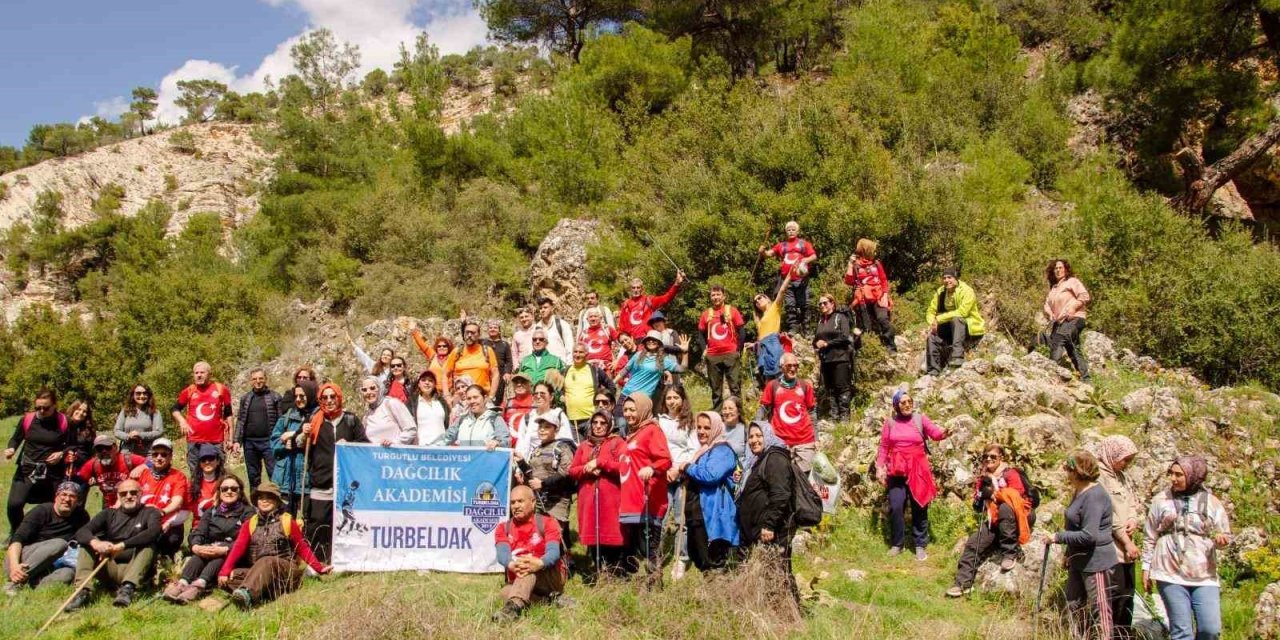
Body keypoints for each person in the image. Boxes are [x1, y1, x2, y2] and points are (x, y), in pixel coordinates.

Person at [1142, 455, 1232, 640]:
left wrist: (1222, 541)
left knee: (1210, 629)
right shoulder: (1161, 500)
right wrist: (1146, 567)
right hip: (1169, 571)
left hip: (1203, 573)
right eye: (1171, 474)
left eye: (1179, 475)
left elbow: (1225, 535)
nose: (1173, 479)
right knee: (1182, 631)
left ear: (1193, 476)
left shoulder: (1211, 502)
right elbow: (1150, 535)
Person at [219, 480, 331, 609]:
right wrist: (224, 571)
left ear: (277, 501)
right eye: (261, 497)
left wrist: (319, 568)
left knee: (266, 562)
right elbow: (238, 548)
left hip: (285, 570)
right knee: (232, 577)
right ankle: (264, 592)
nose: (264, 501)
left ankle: (248, 593)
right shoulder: (249, 524)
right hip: (260, 570)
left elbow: (302, 547)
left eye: (269, 497)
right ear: (256, 501)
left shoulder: (287, 521)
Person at [947, 444, 1036, 597]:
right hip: (994, 520)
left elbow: (1016, 496)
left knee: (1005, 508)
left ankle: (1010, 553)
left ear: (1001, 458)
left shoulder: (1011, 474)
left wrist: (995, 494)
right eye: (985, 457)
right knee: (974, 543)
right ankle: (962, 584)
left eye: (993, 456)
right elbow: (977, 505)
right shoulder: (983, 479)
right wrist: (983, 494)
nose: (989, 459)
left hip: (1018, 515)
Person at [64, 478, 162, 611]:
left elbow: (153, 532)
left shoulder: (151, 512)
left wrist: (122, 545)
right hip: (109, 565)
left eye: (133, 493)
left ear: (140, 494)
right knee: (86, 544)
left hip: (135, 568)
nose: (128, 496)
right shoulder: (108, 514)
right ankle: (83, 591)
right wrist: (96, 543)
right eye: (124, 494)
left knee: (149, 546)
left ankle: (127, 589)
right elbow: (82, 531)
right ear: (118, 496)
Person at [876, 389, 949, 560]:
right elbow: (884, 447)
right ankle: (897, 544)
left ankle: (920, 545)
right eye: (903, 402)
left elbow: (935, 433)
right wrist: (880, 467)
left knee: (920, 505)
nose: (907, 404)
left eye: (910, 401)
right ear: (896, 405)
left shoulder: (920, 419)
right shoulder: (890, 423)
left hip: (918, 468)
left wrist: (944, 434)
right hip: (897, 469)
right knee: (896, 505)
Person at [1053, 450, 1118, 640]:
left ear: (1077, 471)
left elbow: (1089, 535)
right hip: (1078, 560)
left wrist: (1057, 537)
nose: (1065, 473)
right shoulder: (1079, 491)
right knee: (1073, 604)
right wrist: (1068, 553)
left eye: (1068, 469)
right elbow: (1074, 525)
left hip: (1096, 561)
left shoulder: (1094, 496)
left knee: (1100, 609)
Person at [299, 383, 368, 563]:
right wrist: (302, 434)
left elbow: (365, 446)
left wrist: (350, 445)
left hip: (346, 483)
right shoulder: (314, 420)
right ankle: (318, 561)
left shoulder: (351, 420)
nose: (329, 401)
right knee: (318, 523)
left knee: (344, 523)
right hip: (321, 481)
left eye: (332, 397)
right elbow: (299, 445)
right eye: (325, 397)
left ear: (339, 397)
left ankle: (345, 559)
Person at [736, 420, 799, 605]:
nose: (754, 440)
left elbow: (781, 494)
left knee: (779, 573)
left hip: (773, 531)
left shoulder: (775, 458)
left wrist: (769, 524)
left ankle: (789, 613)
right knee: (770, 573)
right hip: (761, 531)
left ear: (768, 436)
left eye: (759, 435)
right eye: (751, 436)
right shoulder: (759, 459)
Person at [163, 474, 251, 604]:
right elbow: (198, 532)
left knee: (218, 555)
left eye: (234, 489)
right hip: (211, 549)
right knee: (199, 555)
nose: (229, 491)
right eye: (225, 489)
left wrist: (225, 549)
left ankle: (199, 586)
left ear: (240, 491)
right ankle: (182, 583)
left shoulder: (247, 512)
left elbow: (247, 539)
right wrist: (196, 546)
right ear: (219, 492)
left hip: (234, 554)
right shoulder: (212, 512)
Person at [672, 411, 739, 573]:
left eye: (707, 428)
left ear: (716, 428)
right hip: (697, 512)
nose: (701, 431)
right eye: (699, 427)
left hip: (713, 514)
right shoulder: (703, 451)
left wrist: (687, 466)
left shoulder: (723, 450)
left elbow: (711, 475)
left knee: (713, 561)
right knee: (700, 559)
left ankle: (718, 593)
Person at [617, 393, 672, 586]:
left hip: (647, 499)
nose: (629, 414)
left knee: (648, 547)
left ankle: (655, 588)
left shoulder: (652, 431)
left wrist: (652, 468)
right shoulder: (631, 433)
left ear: (643, 409)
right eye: (626, 410)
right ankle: (637, 588)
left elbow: (665, 459)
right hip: (630, 501)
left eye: (633, 409)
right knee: (633, 548)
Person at [493, 485, 568, 621]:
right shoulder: (503, 528)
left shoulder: (548, 522)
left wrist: (539, 563)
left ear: (533, 502)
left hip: (550, 575)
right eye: (512, 502)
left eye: (520, 501)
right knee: (504, 592)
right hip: (520, 577)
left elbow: (553, 552)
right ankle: (550, 600)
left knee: (527, 566)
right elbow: (502, 553)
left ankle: (509, 613)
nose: (515, 506)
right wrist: (511, 565)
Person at [5, 388, 72, 533]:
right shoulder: (28, 419)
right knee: (14, 504)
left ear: (54, 405)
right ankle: (17, 533)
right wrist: (11, 449)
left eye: (45, 408)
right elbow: (15, 439)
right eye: (38, 407)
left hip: (52, 473)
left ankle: (45, 535)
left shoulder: (64, 421)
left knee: (50, 507)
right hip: (27, 469)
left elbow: (73, 444)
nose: (41, 411)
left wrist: (61, 453)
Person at [569, 411, 626, 580]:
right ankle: (600, 572)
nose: (598, 426)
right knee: (594, 535)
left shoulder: (617, 443)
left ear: (609, 425)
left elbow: (623, 466)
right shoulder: (584, 446)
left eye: (602, 423)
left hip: (611, 500)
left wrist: (602, 463)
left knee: (612, 534)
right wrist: (587, 469)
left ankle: (616, 573)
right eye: (595, 422)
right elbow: (572, 470)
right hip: (589, 499)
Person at [4, 481, 89, 594]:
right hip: (20, 559)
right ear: (56, 497)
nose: (67, 499)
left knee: (68, 573)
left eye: (72, 496)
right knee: (59, 544)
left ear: (78, 501)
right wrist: (14, 566)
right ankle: (14, 583)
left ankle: (32, 587)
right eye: (63, 494)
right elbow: (16, 541)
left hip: (50, 563)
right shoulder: (42, 511)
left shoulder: (81, 516)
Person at [1096, 435, 1142, 634]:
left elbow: (1131, 503)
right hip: (1111, 548)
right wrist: (1126, 540)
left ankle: (1123, 635)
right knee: (1111, 598)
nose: (1127, 464)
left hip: (1126, 548)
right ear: (1112, 454)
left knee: (1126, 596)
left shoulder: (1121, 477)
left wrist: (1133, 519)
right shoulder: (1099, 477)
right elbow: (1108, 515)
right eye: (1125, 459)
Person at [519, 417, 576, 559]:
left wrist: (543, 484)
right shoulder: (536, 449)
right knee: (542, 533)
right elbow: (532, 474)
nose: (542, 430)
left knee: (557, 532)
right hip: (539, 499)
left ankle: (566, 564)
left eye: (547, 427)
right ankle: (548, 565)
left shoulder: (562, 447)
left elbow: (567, 472)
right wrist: (521, 462)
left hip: (558, 498)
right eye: (540, 427)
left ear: (555, 429)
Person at [658, 384, 696, 578]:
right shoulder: (660, 422)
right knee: (662, 516)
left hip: (681, 476)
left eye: (676, 398)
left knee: (681, 519)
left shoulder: (689, 422)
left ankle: (681, 558)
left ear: (683, 399)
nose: (672, 402)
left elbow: (693, 450)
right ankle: (657, 555)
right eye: (669, 398)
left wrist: (679, 468)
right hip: (663, 476)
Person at [756, 353, 818, 473]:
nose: (793, 369)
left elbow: (812, 412)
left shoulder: (805, 386)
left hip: (804, 441)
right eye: (789, 365)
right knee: (782, 478)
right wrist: (756, 431)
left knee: (805, 479)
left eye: (796, 366)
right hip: (780, 442)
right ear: (781, 367)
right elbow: (763, 409)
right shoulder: (772, 386)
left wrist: (816, 438)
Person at [172, 361, 235, 476]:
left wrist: (231, 439)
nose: (199, 375)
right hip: (194, 441)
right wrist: (182, 421)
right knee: (196, 474)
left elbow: (229, 414)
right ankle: (197, 494)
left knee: (218, 473)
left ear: (209, 374)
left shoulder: (221, 389)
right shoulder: (189, 391)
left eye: (202, 372)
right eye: (196, 373)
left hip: (216, 441)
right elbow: (175, 409)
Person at [759, 220, 817, 333]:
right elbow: (768, 254)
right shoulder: (782, 245)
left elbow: (814, 256)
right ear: (786, 232)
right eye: (789, 230)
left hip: (802, 279)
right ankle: (793, 328)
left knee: (804, 304)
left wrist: (805, 259)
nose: (791, 231)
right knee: (790, 305)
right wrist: (762, 252)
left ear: (797, 231)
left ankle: (807, 330)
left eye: (793, 229)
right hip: (787, 281)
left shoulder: (803, 243)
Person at [925, 269, 986, 375]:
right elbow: (931, 311)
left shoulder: (967, 291)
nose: (946, 280)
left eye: (949, 277)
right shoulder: (941, 292)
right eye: (944, 278)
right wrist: (932, 323)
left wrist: (939, 319)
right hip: (950, 326)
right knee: (932, 336)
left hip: (969, 326)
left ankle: (957, 357)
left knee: (957, 319)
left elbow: (963, 312)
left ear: (956, 278)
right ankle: (933, 369)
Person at [135, 437, 190, 557]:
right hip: (143, 521)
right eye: (155, 454)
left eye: (164, 454)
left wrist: (160, 513)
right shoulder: (142, 474)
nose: (159, 458)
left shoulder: (179, 477)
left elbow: (177, 502)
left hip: (167, 522)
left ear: (170, 457)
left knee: (170, 541)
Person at [271, 382, 316, 516]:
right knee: (284, 521)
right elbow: (274, 441)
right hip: (285, 478)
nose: (298, 400)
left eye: (302, 396)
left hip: (307, 478)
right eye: (296, 396)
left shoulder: (318, 417)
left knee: (306, 521)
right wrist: (284, 445)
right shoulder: (287, 417)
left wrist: (293, 435)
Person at [1042, 259, 1092, 381]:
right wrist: (1050, 314)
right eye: (1056, 268)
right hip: (1059, 322)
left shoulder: (1072, 281)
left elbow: (1085, 296)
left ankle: (1051, 372)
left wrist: (1073, 308)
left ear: (1066, 269)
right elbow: (1047, 304)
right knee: (1073, 348)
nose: (1058, 270)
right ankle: (1086, 379)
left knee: (1058, 340)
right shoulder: (1053, 289)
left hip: (1074, 318)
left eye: (1060, 267)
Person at [699, 285, 746, 410]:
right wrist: (705, 349)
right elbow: (700, 334)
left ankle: (738, 413)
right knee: (715, 388)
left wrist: (738, 349)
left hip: (731, 353)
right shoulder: (706, 314)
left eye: (718, 294)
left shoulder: (732, 310)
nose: (716, 297)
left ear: (723, 296)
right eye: (713, 295)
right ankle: (718, 414)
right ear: (710, 297)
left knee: (735, 386)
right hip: (713, 355)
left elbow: (741, 330)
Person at [844, 238, 897, 352]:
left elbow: (883, 280)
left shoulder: (876, 263)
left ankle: (891, 346)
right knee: (866, 326)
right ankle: (867, 349)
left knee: (883, 319)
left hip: (878, 296)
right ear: (866, 250)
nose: (874, 252)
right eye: (872, 249)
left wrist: (885, 294)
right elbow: (849, 281)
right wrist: (849, 265)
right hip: (863, 299)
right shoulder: (855, 265)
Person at [813, 293, 859, 421]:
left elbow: (845, 337)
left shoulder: (840, 317)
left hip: (840, 358)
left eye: (825, 303)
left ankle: (845, 417)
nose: (822, 305)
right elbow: (815, 340)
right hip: (826, 360)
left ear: (832, 303)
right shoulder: (821, 321)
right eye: (820, 304)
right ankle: (834, 416)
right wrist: (816, 343)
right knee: (830, 389)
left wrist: (827, 343)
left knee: (842, 387)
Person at [235, 368, 282, 492]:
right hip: (250, 443)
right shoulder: (245, 398)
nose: (258, 381)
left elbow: (281, 420)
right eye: (255, 379)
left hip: (269, 442)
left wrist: (280, 439)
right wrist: (236, 441)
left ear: (265, 379)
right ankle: (256, 507)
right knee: (253, 477)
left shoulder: (275, 397)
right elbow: (240, 420)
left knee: (274, 475)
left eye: (261, 378)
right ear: (251, 381)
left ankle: (277, 505)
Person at [75, 435, 146, 509]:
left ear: (115, 447)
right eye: (99, 449)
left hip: (130, 503)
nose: (104, 451)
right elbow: (78, 480)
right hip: (109, 506)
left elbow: (152, 462)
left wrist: (142, 467)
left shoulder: (128, 459)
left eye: (107, 448)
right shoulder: (93, 464)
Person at [617, 330, 688, 405]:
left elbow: (682, 368)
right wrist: (613, 383)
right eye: (622, 342)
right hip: (628, 392)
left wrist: (685, 353)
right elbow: (622, 372)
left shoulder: (661, 359)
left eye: (626, 339)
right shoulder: (632, 356)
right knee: (619, 416)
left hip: (646, 395)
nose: (625, 343)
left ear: (631, 338)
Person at [747, 270, 793, 384]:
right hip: (762, 347)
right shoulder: (760, 320)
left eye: (760, 297)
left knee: (779, 375)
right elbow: (761, 336)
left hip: (773, 344)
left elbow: (782, 290)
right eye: (756, 301)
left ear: (767, 298)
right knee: (768, 381)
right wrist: (753, 345)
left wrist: (790, 274)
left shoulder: (774, 308)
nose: (758, 301)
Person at [563, 343, 616, 436]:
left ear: (587, 354)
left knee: (592, 447)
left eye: (581, 352)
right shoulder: (565, 371)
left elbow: (611, 386)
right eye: (575, 352)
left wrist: (607, 406)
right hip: (571, 422)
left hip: (591, 419)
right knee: (576, 450)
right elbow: (557, 389)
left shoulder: (595, 371)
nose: (577, 354)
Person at [618, 271, 686, 340]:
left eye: (638, 287)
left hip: (649, 338)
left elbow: (666, 298)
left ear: (642, 289)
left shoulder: (649, 300)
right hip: (634, 341)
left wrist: (676, 284)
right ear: (630, 289)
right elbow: (622, 327)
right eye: (633, 288)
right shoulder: (625, 305)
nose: (636, 290)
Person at [446, 321, 501, 405]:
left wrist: (491, 396)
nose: (469, 335)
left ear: (478, 335)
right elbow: (445, 374)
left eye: (472, 333)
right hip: (461, 400)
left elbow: (495, 374)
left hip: (482, 399)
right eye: (467, 332)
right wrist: (447, 396)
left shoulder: (487, 351)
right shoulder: (457, 351)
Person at [440, 385, 509, 449]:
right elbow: (446, 439)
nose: (472, 401)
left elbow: (505, 441)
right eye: (469, 398)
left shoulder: (495, 418)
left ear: (484, 398)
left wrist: (497, 443)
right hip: (465, 461)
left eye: (475, 397)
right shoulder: (461, 419)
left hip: (485, 461)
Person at [516, 382, 571, 460]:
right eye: (536, 394)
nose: (538, 396)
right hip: (531, 464)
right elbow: (520, 445)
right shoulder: (527, 418)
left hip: (552, 463)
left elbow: (566, 442)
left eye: (542, 394)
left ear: (551, 397)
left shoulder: (559, 415)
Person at [359, 376, 417, 447]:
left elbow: (411, 429)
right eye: (364, 390)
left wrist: (394, 442)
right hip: (375, 457)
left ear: (380, 388)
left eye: (372, 388)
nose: (368, 392)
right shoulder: (366, 416)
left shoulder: (391, 404)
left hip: (395, 455)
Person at [113, 383, 164, 456]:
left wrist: (140, 435)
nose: (142, 396)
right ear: (133, 395)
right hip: (127, 453)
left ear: (148, 395)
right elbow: (117, 431)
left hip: (147, 454)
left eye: (144, 393)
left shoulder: (155, 412)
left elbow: (159, 432)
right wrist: (128, 436)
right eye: (138, 393)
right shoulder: (125, 411)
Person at [405, 371, 450, 447]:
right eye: (423, 380)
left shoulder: (442, 402)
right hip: (421, 447)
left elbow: (447, 423)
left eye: (430, 380)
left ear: (434, 384)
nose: (427, 383)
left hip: (441, 448)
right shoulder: (411, 402)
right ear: (419, 384)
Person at [187, 445, 225, 530]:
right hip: (199, 526)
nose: (207, 462)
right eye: (203, 460)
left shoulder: (226, 482)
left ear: (218, 461)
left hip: (221, 525)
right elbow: (190, 507)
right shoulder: (192, 484)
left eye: (211, 459)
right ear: (200, 464)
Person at [534, 297, 575, 362]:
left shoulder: (562, 324)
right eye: (540, 308)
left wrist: (568, 364)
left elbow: (569, 346)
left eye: (545, 307)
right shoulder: (537, 327)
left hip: (560, 364)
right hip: (543, 366)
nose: (543, 310)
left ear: (552, 308)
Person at [482, 319, 514, 401]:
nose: (492, 329)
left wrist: (507, 372)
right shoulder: (482, 343)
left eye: (495, 327)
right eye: (490, 328)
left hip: (500, 375)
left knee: (497, 398)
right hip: (485, 375)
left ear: (499, 331)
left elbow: (509, 361)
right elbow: (468, 338)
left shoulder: (504, 344)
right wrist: (463, 323)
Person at [503, 373, 536, 446]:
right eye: (516, 382)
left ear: (529, 385)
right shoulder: (507, 404)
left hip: (531, 446)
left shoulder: (536, 402)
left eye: (523, 382)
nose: (519, 385)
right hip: (511, 447)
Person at [64, 401, 96, 471]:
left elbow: (92, 452)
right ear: (73, 409)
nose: (81, 413)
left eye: (84, 411)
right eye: (78, 409)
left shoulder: (88, 430)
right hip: (63, 467)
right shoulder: (63, 424)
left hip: (83, 468)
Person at [720, 397, 748, 471]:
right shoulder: (717, 429)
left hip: (740, 472)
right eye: (724, 409)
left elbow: (750, 458)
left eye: (730, 408)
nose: (727, 412)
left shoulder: (745, 431)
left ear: (738, 411)